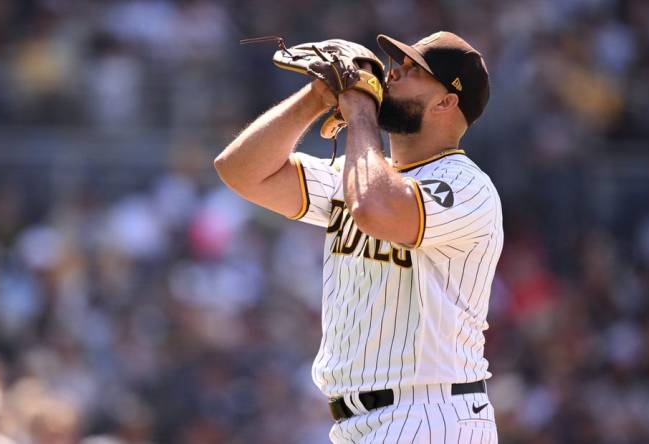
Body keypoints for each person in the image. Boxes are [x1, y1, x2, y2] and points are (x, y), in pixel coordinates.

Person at [214, 31, 502, 443]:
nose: (393, 71)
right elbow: (239, 170)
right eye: (397, 63)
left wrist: (360, 111)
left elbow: (373, 208)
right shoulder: (359, 174)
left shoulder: (465, 184)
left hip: (432, 413)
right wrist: (316, 96)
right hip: (359, 422)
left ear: (446, 102)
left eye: (413, 69)